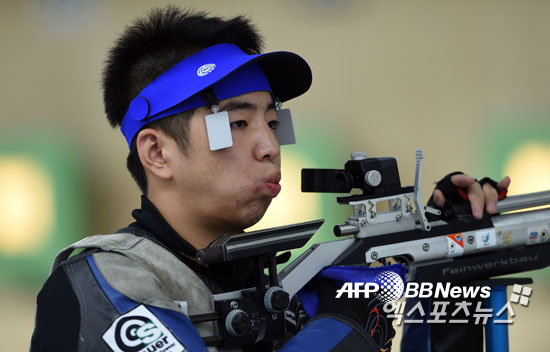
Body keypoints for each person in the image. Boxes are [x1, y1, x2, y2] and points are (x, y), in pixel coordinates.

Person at [29, 6, 509, 352]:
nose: (270, 146)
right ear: (157, 152)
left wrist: (448, 268)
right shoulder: (103, 281)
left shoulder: (280, 287)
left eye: (274, 123)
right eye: (237, 124)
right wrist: (345, 321)